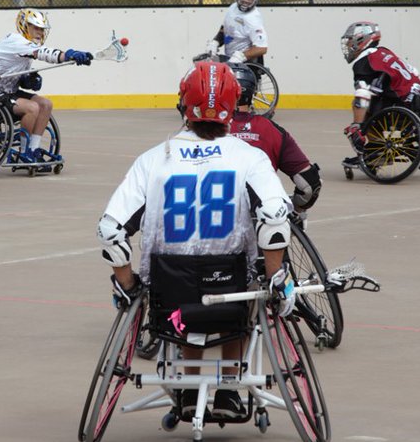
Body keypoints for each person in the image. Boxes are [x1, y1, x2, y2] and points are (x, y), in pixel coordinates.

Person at [97, 61, 295, 420]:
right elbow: (275, 218)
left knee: (182, 303)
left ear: (182, 105)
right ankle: (230, 390)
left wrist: (127, 283)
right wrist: (275, 276)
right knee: (246, 291)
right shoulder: (250, 158)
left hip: (169, 290)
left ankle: (188, 389)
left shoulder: (152, 160)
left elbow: (111, 231)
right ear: (233, 107)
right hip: (231, 288)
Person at [0, 8, 92, 165]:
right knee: (32, 108)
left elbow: (15, 74)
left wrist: (28, 80)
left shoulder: (26, 46)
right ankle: (25, 152)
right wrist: (69, 54)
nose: (40, 32)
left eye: (42, 29)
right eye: (36, 28)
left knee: (46, 104)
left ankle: (34, 148)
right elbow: (44, 53)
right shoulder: (15, 41)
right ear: (25, 26)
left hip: (10, 92)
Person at [226, 63, 321, 218]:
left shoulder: (208, 132)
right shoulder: (272, 130)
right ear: (252, 93)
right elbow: (310, 185)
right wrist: (297, 210)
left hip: (219, 225)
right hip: (266, 219)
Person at [339, 20, 420, 167]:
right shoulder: (383, 52)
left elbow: (362, 93)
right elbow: (414, 71)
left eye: (350, 41)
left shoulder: (363, 61)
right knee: (375, 102)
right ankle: (377, 151)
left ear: (361, 40)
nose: (348, 46)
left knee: (365, 110)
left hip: (403, 106)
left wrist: (357, 126)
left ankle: (376, 153)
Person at [208, 0, 267, 65]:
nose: (245, 1)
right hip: (229, 59)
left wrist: (241, 56)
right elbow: (224, 28)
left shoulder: (254, 18)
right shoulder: (232, 8)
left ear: (255, 0)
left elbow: (262, 48)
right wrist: (215, 42)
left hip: (246, 64)